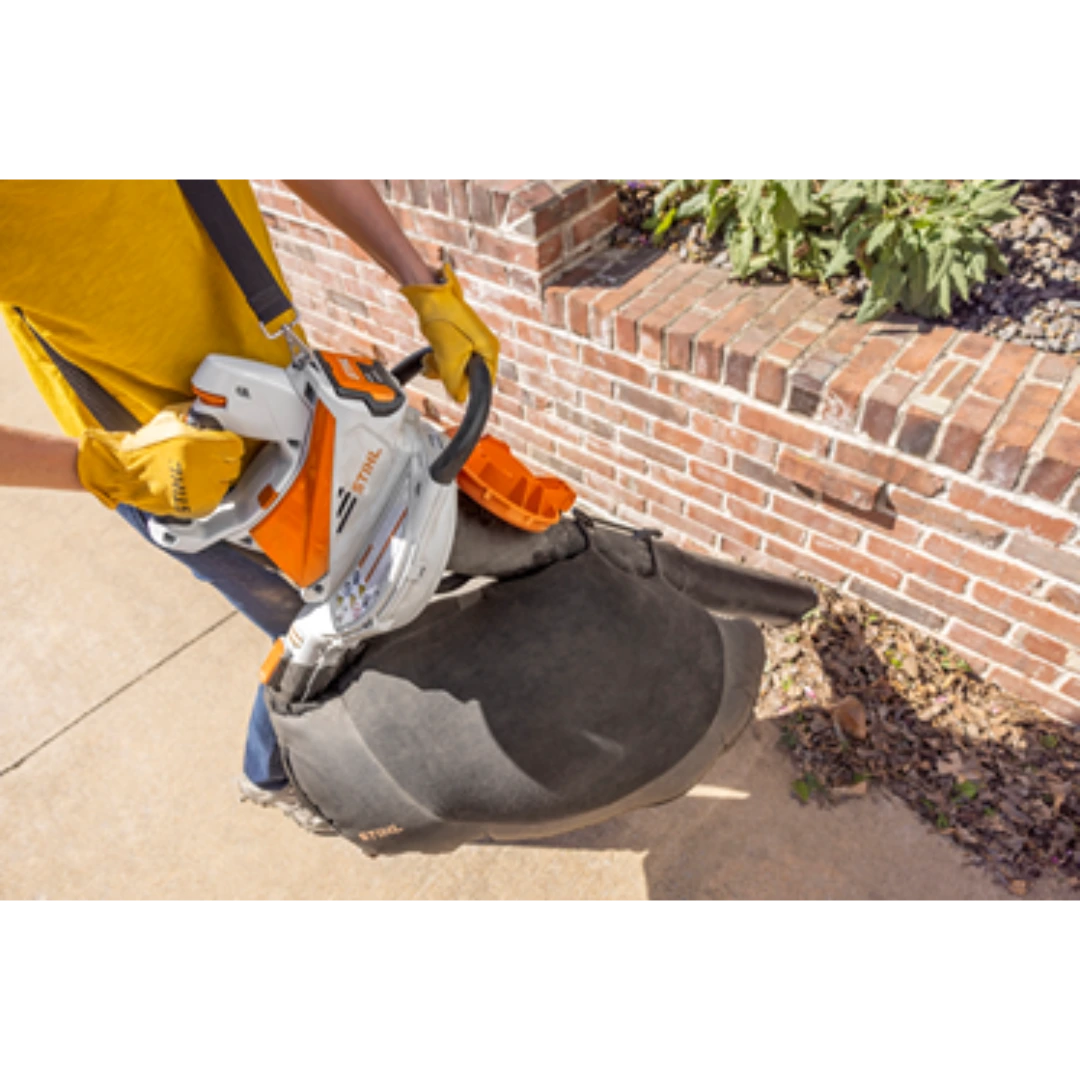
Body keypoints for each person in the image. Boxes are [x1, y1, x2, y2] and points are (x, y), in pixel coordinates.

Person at [0, 178, 499, 833]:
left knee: (364, 601)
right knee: (321, 632)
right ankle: (272, 773)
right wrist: (106, 468)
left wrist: (422, 283)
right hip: (178, 477)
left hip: (288, 391)